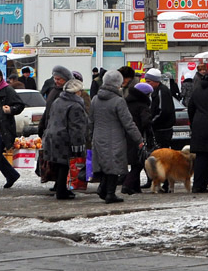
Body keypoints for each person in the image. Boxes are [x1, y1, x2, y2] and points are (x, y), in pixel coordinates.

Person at [89, 70, 143, 204]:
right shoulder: (118, 101)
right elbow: (128, 123)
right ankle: (110, 193)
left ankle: (103, 188)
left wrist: (90, 136)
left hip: (98, 136)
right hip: (115, 138)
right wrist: (139, 139)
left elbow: (90, 120)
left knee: (104, 164)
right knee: (114, 165)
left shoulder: (95, 99)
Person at [42, 79, 89, 200]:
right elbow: (76, 127)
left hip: (52, 136)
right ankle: (62, 191)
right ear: (76, 92)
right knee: (65, 165)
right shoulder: (75, 106)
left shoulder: (58, 101)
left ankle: (61, 188)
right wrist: (79, 145)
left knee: (58, 164)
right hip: (65, 138)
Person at [121, 77, 154, 194]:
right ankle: (127, 185)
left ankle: (135, 187)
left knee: (135, 161)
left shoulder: (126, 102)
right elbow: (146, 122)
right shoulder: (142, 105)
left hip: (126, 135)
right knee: (139, 163)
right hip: (138, 136)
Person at [147, 69, 176, 150]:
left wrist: (152, 122)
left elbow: (163, 111)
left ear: (156, 81)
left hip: (162, 129)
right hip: (160, 128)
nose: (147, 84)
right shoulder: (156, 91)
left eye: (149, 81)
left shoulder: (162, 91)